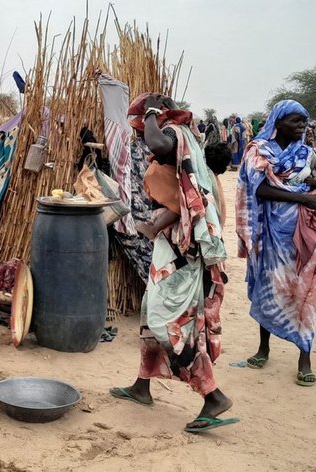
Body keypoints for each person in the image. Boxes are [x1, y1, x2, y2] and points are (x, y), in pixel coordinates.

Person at [110, 93, 236, 433]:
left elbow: (158, 144)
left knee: (169, 322)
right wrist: (153, 227)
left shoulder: (176, 136)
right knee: (152, 315)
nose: (139, 135)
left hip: (183, 252)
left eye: (139, 124)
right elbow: (183, 196)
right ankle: (142, 385)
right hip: (171, 246)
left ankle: (212, 395)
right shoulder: (186, 145)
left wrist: (151, 114)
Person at [236, 99, 316, 387]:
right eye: (296, 121)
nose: (302, 127)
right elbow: (261, 189)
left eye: (304, 122)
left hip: (305, 232)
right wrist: (304, 197)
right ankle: (263, 348)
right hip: (270, 233)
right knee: (271, 287)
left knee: (306, 290)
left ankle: (304, 357)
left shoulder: (307, 153)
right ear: (278, 123)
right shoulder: (259, 151)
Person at [135, 140, 231, 240]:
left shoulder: (204, 177)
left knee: (179, 205)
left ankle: (154, 229)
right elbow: (222, 210)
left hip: (196, 222)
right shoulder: (213, 181)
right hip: (211, 226)